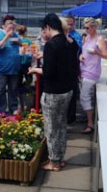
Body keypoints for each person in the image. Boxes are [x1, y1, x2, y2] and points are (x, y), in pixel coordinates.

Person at [28, 13, 72, 171]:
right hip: (66, 90)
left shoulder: (51, 45)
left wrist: (35, 70)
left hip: (53, 92)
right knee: (61, 126)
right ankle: (59, 158)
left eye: (43, 28)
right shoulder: (68, 42)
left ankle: (53, 162)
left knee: (51, 128)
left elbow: (49, 72)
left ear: (47, 27)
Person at [80, 18, 107, 133]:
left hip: (92, 71)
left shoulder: (99, 38)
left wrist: (96, 52)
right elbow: (83, 51)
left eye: (87, 28)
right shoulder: (87, 38)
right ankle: (89, 117)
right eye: (85, 27)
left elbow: (106, 55)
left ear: (94, 27)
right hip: (84, 68)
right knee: (87, 95)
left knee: (84, 96)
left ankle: (90, 123)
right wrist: (80, 56)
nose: (86, 30)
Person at [0, 15, 21, 114]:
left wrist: (19, 43)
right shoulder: (0, 34)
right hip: (1, 68)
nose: (12, 30)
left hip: (13, 68)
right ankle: (0, 111)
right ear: (4, 27)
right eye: (10, 28)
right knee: (1, 90)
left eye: (13, 28)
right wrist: (6, 37)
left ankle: (13, 108)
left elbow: (21, 45)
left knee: (13, 90)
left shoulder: (15, 35)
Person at [60, 17, 80, 124]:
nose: (69, 26)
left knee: (71, 95)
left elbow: (77, 49)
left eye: (71, 24)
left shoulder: (76, 36)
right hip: (62, 69)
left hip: (72, 68)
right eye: (68, 24)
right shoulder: (59, 36)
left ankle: (71, 118)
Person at [17, 25, 32, 110]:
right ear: (26, 32)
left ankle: (20, 98)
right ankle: (27, 96)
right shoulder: (28, 41)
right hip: (26, 63)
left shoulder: (16, 40)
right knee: (29, 80)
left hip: (18, 63)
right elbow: (31, 53)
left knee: (18, 81)